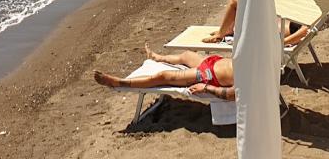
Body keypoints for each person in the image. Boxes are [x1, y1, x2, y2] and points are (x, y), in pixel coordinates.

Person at [94, 45, 236, 100]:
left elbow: (232, 94)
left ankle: (119, 82)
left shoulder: (253, 81)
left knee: (164, 76)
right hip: (213, 62)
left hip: (207, 75)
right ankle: (158, 58)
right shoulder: (256, 65)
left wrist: (206, 88)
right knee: (186, 55)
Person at [204, 0, 311, 47]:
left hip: (264, 34)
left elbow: (303, 32)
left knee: (234, 1)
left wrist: (279, 45)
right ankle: (226, 30)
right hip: (265, 26)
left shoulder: (305, 26)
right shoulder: (303, 18)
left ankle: (221, 34)